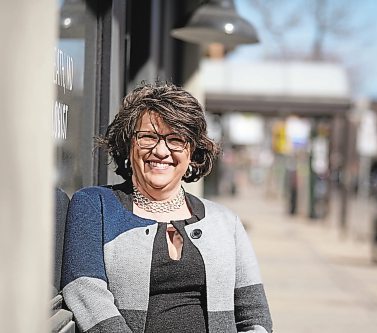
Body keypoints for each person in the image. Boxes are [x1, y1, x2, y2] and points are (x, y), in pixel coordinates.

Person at [61, 81, 272, 333]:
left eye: (176, 139)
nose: (161, 151)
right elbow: (83, 290)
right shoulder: (95, 206)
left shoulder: (226, 222)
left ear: (192, 151)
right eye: (148, 136)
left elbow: (255, 314)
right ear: (128, 145)